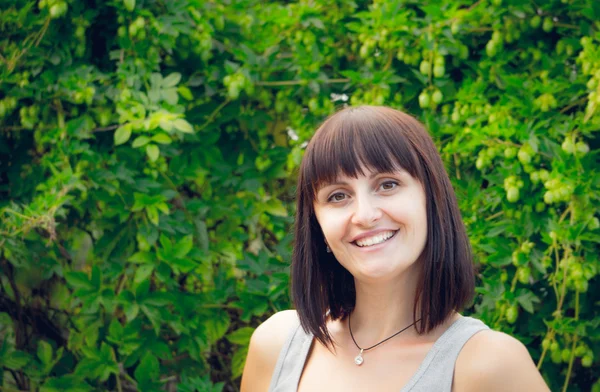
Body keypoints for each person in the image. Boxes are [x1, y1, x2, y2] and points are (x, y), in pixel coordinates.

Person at [241, 106, 549, 391]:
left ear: (432, 200)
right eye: (337, 196)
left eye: (387, 184)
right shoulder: (276, 344)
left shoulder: (489, 365)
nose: (364, 215)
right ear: (317, 225)